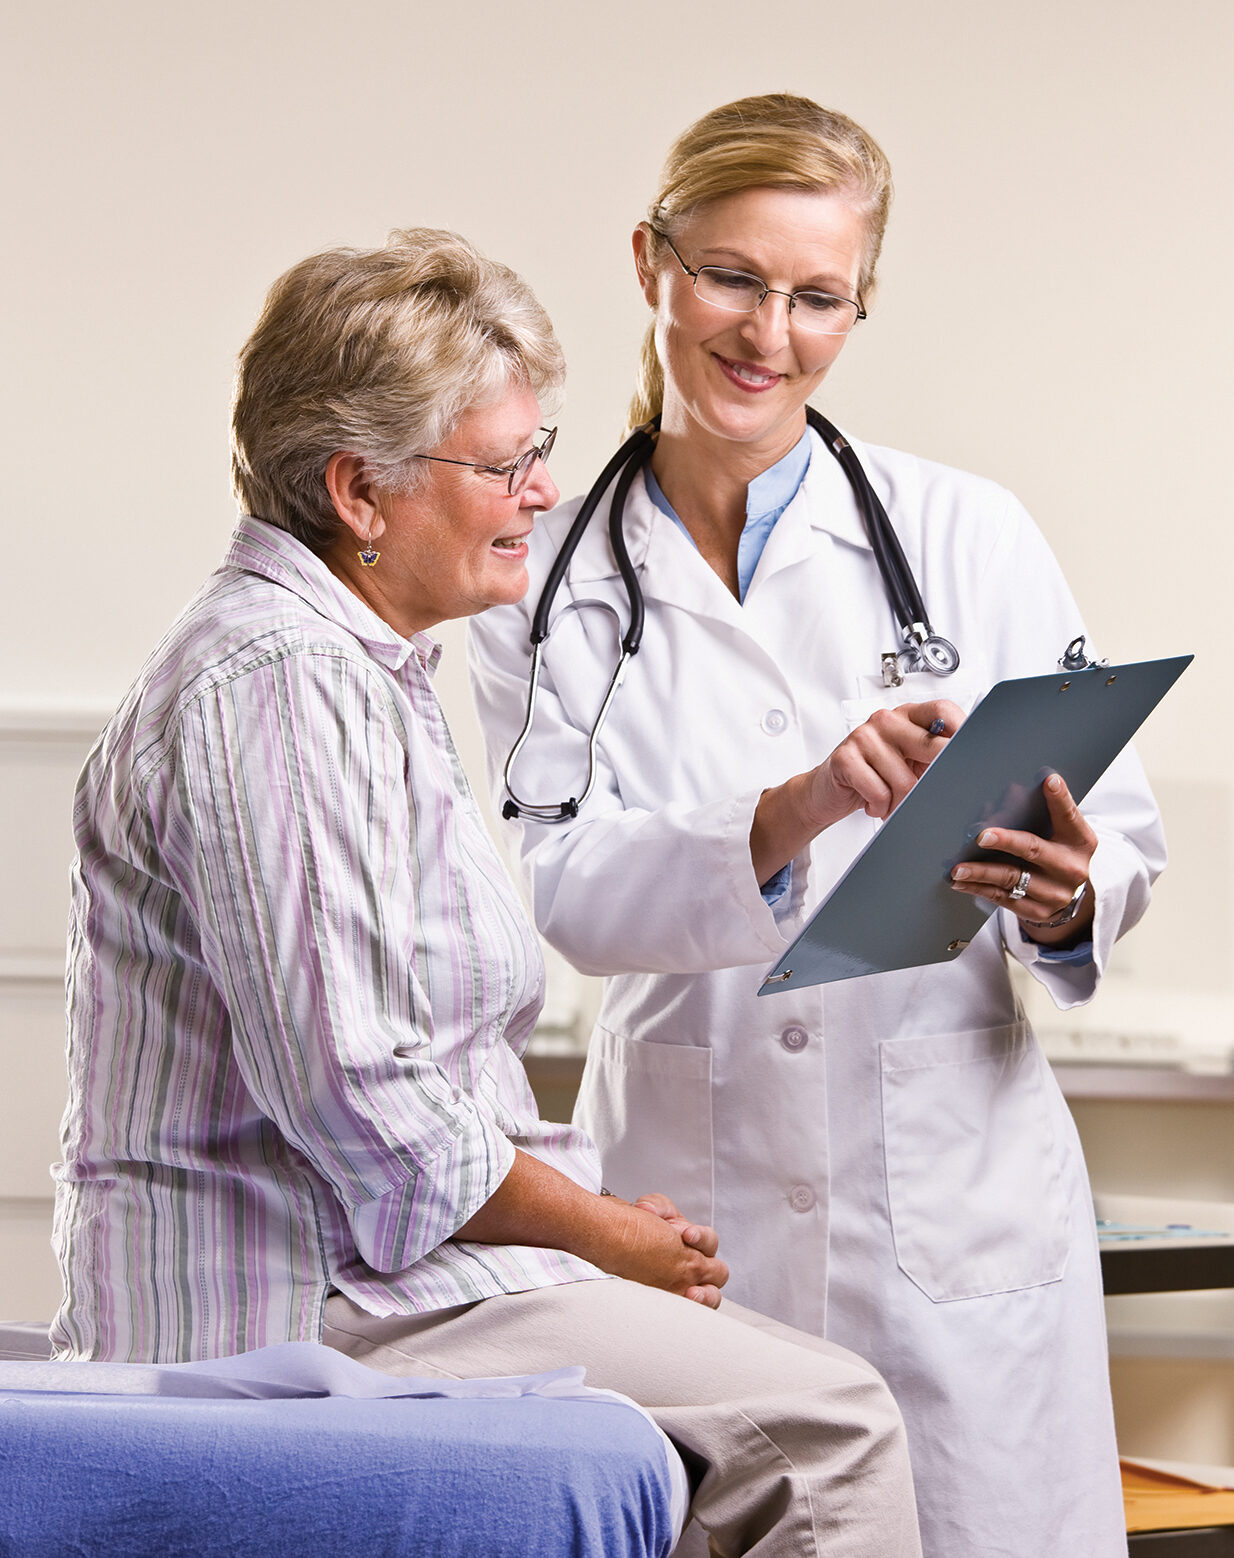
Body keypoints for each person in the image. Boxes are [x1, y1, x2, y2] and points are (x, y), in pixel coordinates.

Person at [50, 227, 921, 1558]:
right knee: (828, 1418)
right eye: (506, 462)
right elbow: (364, 1105)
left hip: (391, 1272)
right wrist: (604, 1234)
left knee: (699, 1471)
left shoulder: (365, 671)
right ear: (359, 491)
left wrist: (600, 1228)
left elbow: (426, 1075)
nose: (542, 489)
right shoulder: (278, 681)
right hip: (299, 1296)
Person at [467, 95, 1166, 1557]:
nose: (765, 333)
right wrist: (798, 806)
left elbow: (1117, 833)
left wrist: (1066, 893)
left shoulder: (968, 532)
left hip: (952, 1208)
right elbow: (569, 887)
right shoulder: (543, 581)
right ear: (650, 262)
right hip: (699, 1201)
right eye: (730, 276)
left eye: (816, 296)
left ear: (856, 307)